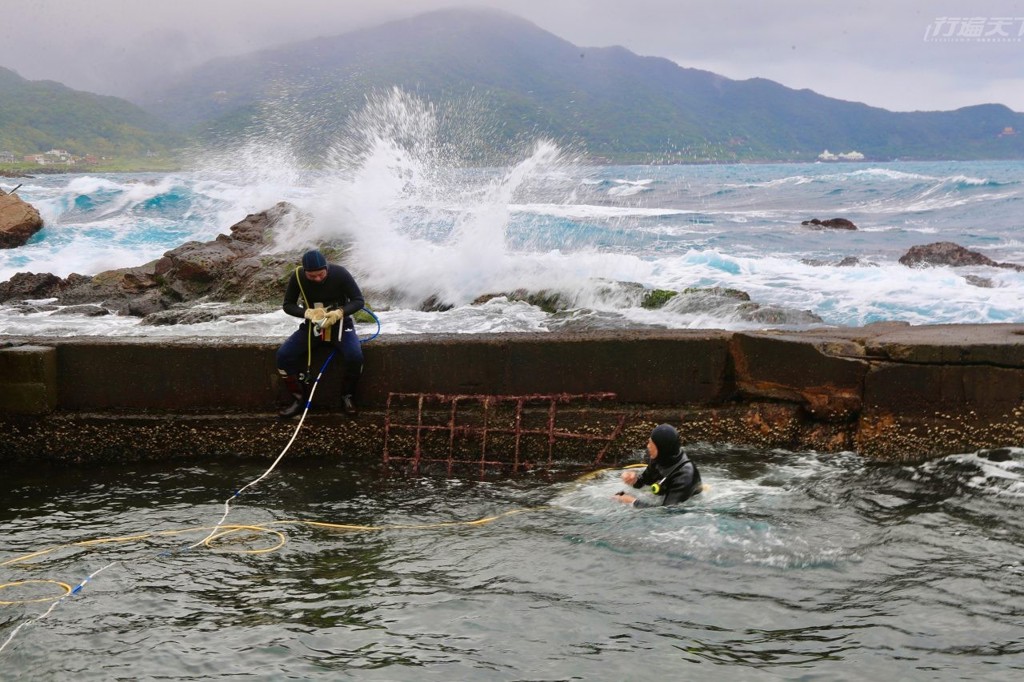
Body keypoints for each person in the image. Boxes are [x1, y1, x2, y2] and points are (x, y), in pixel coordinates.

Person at [276, 249, 365, 418]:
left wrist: (339, 312)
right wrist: (307, 313)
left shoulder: (340, 273)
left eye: (321, 274)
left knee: (355, 356)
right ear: (305, 272)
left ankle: (347, 396)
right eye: (312, 276)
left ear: (327, 268)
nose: (317, 279)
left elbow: (358, 300)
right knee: (284, 355)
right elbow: (288, 305)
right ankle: (298, 399)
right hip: (313, 325)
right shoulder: (298, 277)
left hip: (340, 324)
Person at [614, 424, 702, 508]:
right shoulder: (659, 459)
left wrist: (633, 502)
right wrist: (633, 479)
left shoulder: (685, 475)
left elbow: (668, 512)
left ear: (662, 447)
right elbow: (643, 482)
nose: (648, 446)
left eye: (651, 443)